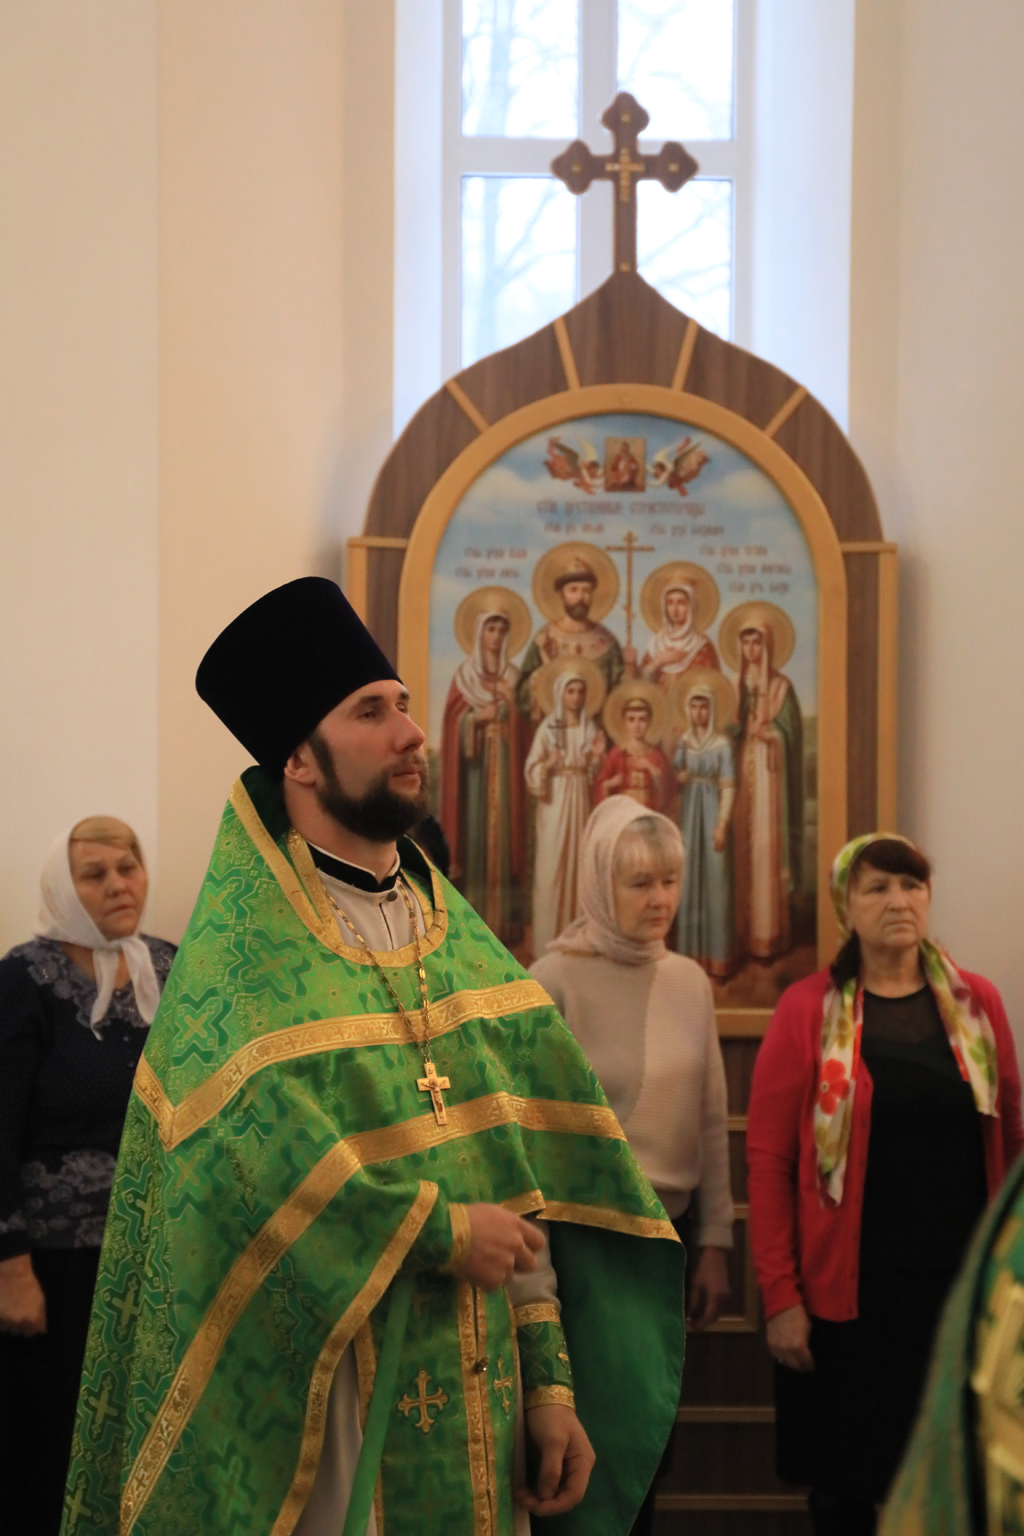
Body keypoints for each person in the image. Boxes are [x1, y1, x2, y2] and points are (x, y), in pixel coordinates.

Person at [62, 578, 685, 1536]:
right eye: (370, 712)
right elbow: (234, 1193)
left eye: (404, 705)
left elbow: (521, 1184)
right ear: (298, 761)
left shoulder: (458, 943)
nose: (411, 733)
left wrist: (550, 1384)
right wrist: (438, 1232)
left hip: (488, 1405)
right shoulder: (246, 971)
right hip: (332, 1427)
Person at [747, 833, 1023, 1536]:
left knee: (953, 1484)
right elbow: (770, 1163)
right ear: (847, 907)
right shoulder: (806, 1010)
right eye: (878, 888)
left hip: (958, 1296)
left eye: (912, 885)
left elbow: (1014, 1139)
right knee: (846, 1490)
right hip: (846, 1306)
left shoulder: (979, 1004)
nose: (899, 901)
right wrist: (781, 1297)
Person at [531, 796, 734, 1536]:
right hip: (581, 1249)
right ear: (599, 882)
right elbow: (528, 1135)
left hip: (667, 1244)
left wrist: (716, 1240)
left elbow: (710, 1118)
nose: (660, 900)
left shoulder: (690, 981)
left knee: (647, 1445)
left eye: (671, 881)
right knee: (585, 1451)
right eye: (641, 882)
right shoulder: (553, 980)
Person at [0, 817, 174, 1536]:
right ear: (62, 889)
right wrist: (10, 1268)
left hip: (151, 1255)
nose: (118, 885)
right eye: (95, 874)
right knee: (51, 1446)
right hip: (56, 1267)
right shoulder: (25, 978)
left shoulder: (170, 966)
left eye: (128, 867)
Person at [440, 607, 526, 945]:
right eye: (491, 629)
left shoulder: (514, 678)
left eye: (502, 630)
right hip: (474, 778)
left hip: (505, 771)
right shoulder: (465, 677)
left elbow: (528, 729)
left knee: (503, 842)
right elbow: (453, 723)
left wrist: (512, 707)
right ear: (479, 633)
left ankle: (504, 925)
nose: (496, 637)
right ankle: (471, 928)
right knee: (474, 840)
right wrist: (475, 719)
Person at [731, 612, 803, 960]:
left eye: (756, 641)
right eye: (745, 641)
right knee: (742, 845)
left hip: (769, 776)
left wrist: (772, 734)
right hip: (742, 768)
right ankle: (741, 934)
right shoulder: (737, 684)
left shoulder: (780, 687)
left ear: (768, 645)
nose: (751, 648)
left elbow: (792, 734)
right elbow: (729, 726)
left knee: (765, 846)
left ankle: (767, 932)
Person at [524, 666, 606, 955]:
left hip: (581, 797)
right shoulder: (548, 728)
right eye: (571, 691)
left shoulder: (589, 728)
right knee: (551, 868)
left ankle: (577, 939)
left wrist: (596, 758)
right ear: (560, 694)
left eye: (581, 691)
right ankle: (547, 942)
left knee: (579, 865)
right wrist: (547, 765)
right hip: (555, 801)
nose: (577, 697)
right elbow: (532, 769)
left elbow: (597, 773)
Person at [673, 675, 737, 978]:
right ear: (688, 709)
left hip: (712, 812)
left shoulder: (722, 744)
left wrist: (722, 824)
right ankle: (690, 958)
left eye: (704, 707)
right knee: (689, 876)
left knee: (715, 878)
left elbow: (728, 785)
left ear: (711, 710)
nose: (699, 713)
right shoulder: (684, 743)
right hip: (689, 815)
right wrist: (680, 778)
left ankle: (718, 957)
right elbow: (674, 776)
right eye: (694, 706)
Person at [516, 555, 625, 720]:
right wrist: (538, 678)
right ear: (562, 594)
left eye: (586, 591)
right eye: (573, 590)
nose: (580, 597)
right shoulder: (545, 638)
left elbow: (620, 692)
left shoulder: (607, 641)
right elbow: (521, 694)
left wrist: (631, 669)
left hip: (597, 728)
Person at [594, 688, 673, 814]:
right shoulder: (617, 754)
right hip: (623, 810)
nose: (637, 725)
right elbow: (601, 784)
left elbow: (668, 789)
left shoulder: (656, 755)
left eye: (642, 719)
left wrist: (651, 769)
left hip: (648, 810)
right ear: (624, 722)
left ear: (649, 722)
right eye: (631, 719)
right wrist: (610, 784)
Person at [640, 582, 719, 687]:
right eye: (670, 603)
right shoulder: (656, 644)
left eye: (681, 603)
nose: (674, 609)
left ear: (691, 606)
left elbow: (713, 685)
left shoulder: (701, 645)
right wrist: (658, 662)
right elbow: (641, 686)